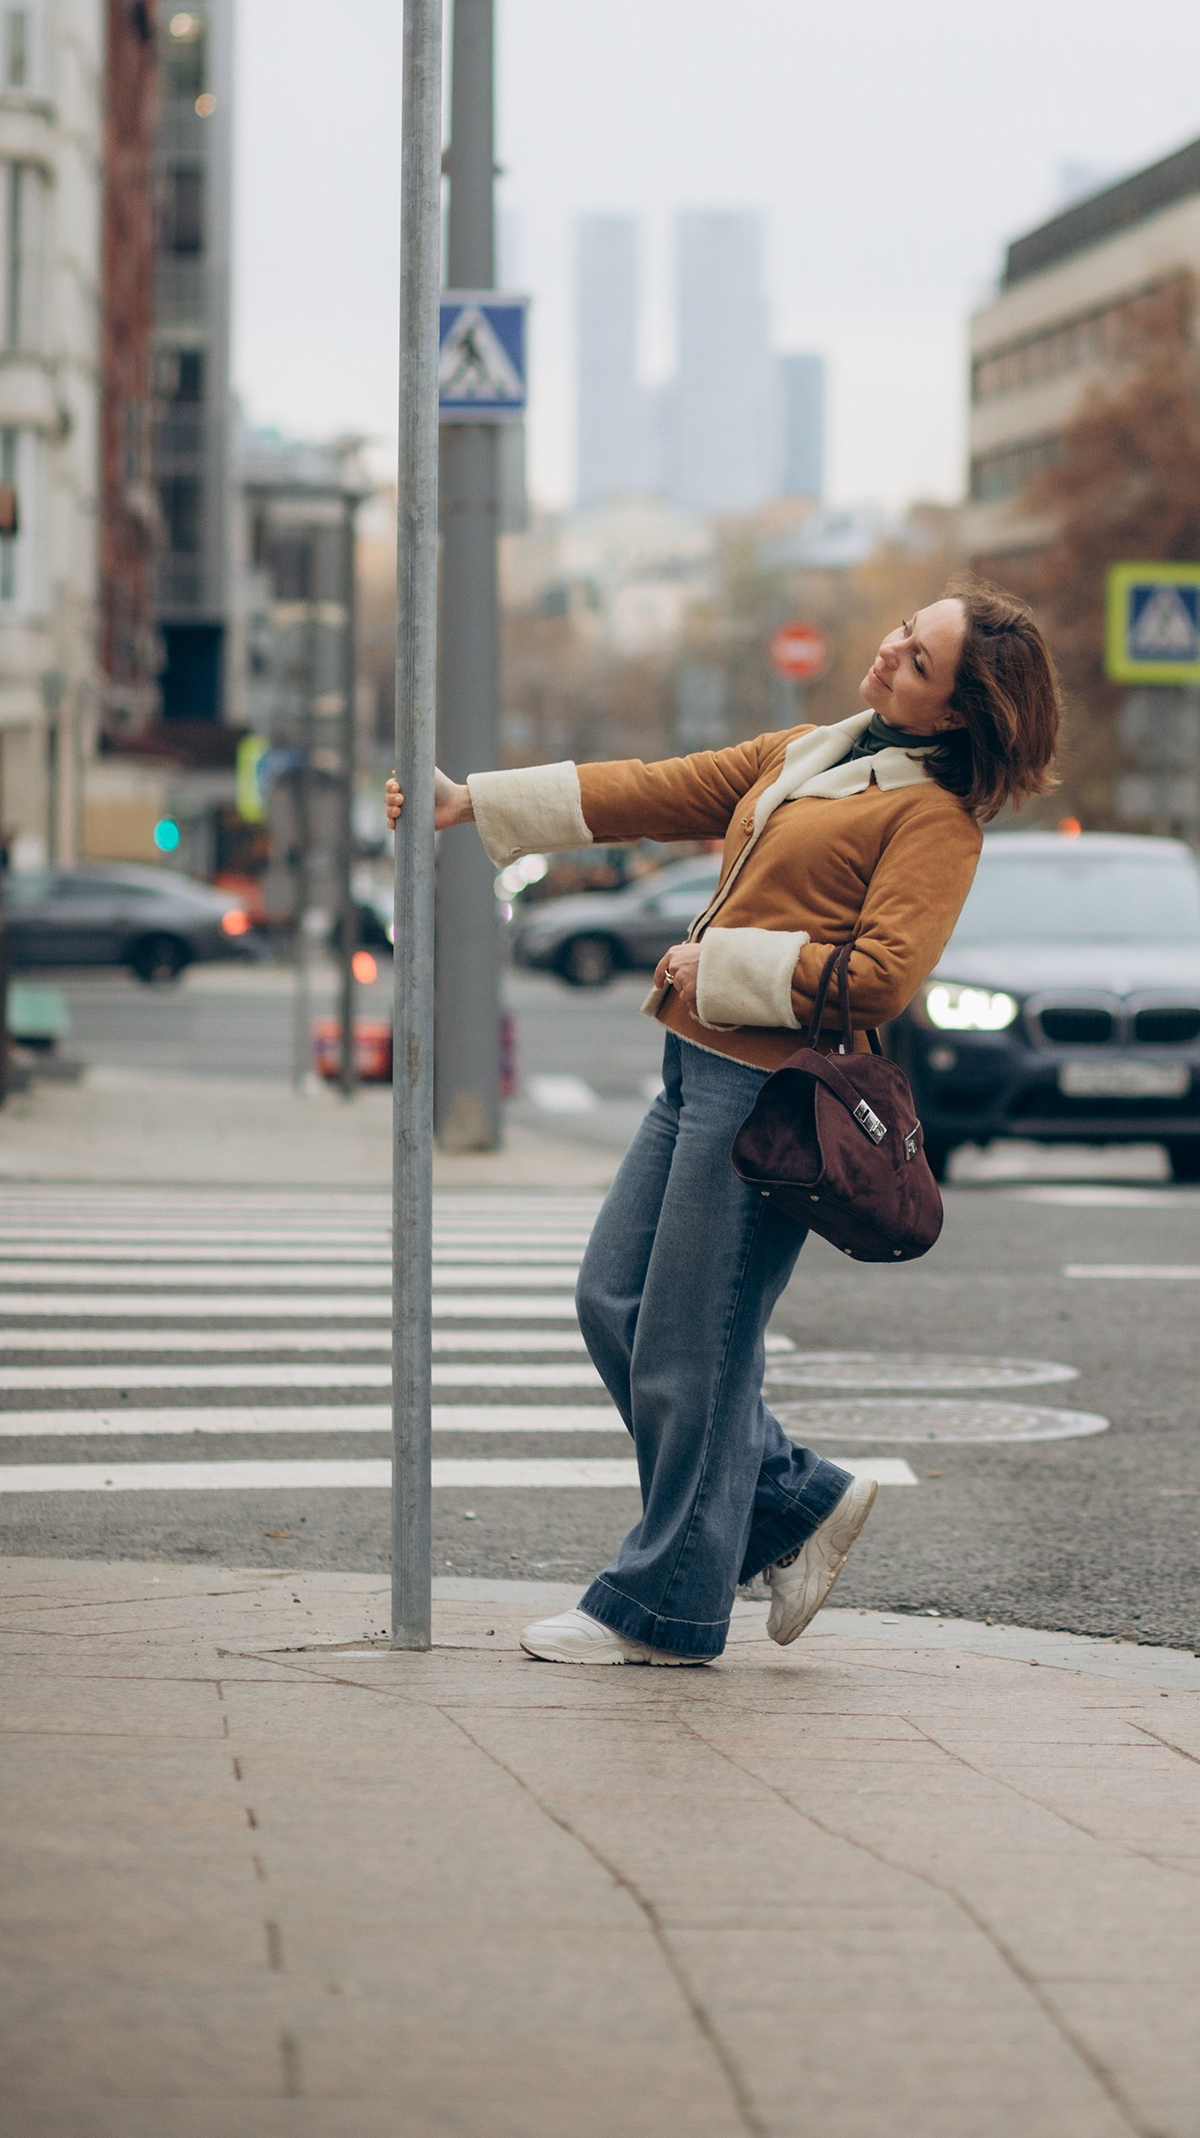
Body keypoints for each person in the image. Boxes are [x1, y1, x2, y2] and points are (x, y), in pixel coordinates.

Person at [387, 584, 1060, 1669]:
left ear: (955, 716)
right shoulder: (816, 749)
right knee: (613, 1301)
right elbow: (657, 787)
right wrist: (476, 802)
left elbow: (883, 979)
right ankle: (790, 1501)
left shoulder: (932, 820)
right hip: (691, 1070)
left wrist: (724, 963)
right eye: (903, 632)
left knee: (687, 1350)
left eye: (919, 661)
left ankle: (666, 1608)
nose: (889, 653)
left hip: (765, 1094)